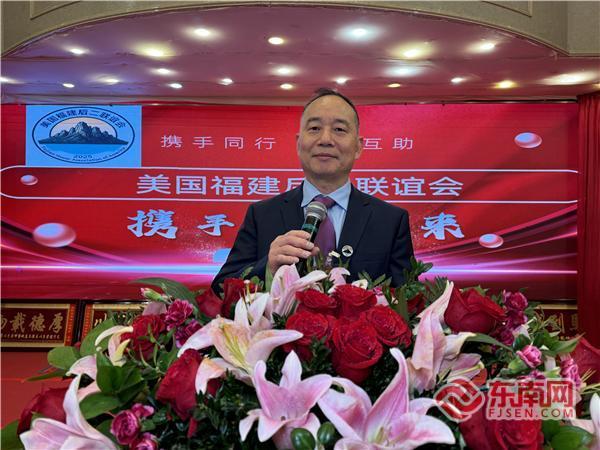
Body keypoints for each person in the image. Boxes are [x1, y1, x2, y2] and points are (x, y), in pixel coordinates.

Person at [211, 88, 414, 294]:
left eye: (339, 129)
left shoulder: (390, 221)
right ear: (299, 143)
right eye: (315, 128)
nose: (325, 139)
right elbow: (220, 290)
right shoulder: (262, 215)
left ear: (358, 147)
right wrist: (268, 268)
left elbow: (408, 298)